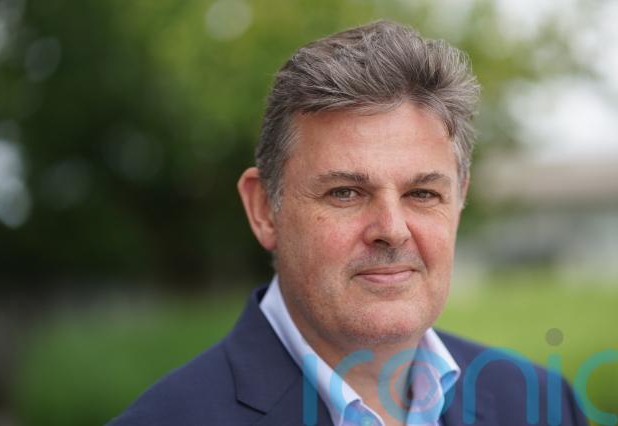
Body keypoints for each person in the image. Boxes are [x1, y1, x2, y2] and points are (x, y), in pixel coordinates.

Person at [108, 20, 588, 426]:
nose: (392, 229)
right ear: (264, 209)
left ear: (459, 199)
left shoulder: (541, 404)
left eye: (422, 193)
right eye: (345, 193)